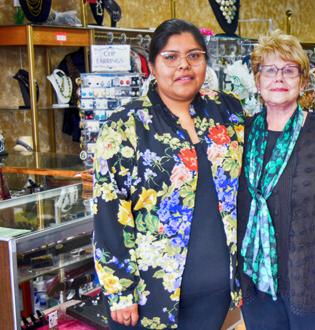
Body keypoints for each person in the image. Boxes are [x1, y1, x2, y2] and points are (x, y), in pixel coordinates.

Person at [92, 19, 244, 329]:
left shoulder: (227, 111)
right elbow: (108, 212)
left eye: (194, 55)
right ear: (151, 64)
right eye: (171, 57)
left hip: (217, 287)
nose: (184, 66)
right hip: (153, 293)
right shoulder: (124, 126)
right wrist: (120, 291)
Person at [238, 30, 315, 330]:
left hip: (314, 279)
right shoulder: (241, 137)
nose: (278, 78)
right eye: (269, 69)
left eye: (289, 70)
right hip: (257, 284)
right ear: (257, 81)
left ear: (303, 81)